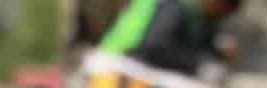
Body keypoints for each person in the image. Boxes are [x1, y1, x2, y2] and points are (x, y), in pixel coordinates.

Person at [99, 0, 242, 76]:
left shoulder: (199, 14)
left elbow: (200, 49)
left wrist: (219, 56)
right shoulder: (175, 7)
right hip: (116, 63)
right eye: (223, 10)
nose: (221, 16)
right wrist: (199, 66)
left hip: (134, 65)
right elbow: (155, 48)